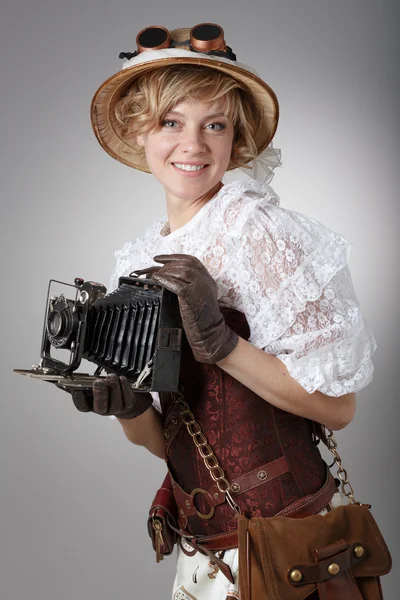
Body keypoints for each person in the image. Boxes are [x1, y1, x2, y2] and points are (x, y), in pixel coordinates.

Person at [67, 25, 377, 599]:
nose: (194, 145)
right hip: (204, 548)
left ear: (235, 140)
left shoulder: (258, 233)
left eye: (215, 124)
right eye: (171, 122)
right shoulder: (139, 260)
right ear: (140, 132)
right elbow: (167, 441)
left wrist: (224, 344)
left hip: (288, 542)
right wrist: (129, 410)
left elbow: (338, 408)